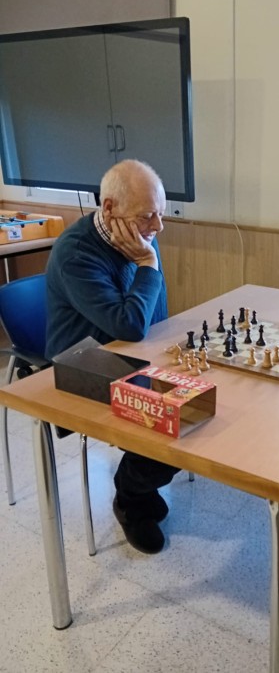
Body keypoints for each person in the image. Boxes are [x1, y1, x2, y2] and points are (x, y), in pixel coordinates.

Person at [46, 159, 179, 555]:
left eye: (161, 213)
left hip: (129, 359)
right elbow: (131, 325)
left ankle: (142, 481)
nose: (157, 227)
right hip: (82, 368)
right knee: (175, 424)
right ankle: (130, 496)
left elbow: (153, 314)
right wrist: (148, 263)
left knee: (194, 408)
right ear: (109, 208)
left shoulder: (136, 234)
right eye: (148, 216)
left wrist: (167, 363)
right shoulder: (77, 253)